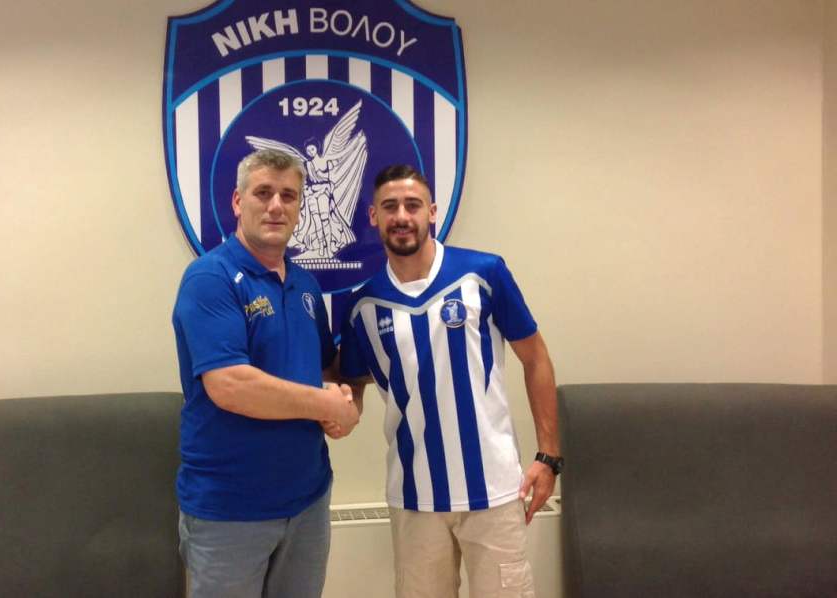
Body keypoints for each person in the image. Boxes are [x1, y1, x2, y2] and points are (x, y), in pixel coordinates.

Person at [338, 165, 561, 598]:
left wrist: (548, 457)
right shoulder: (362, 304)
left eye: (413, 205)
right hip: (414, 496)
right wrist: (341, 407)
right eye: (390, 207)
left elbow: (536, 358)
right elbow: (354, 380)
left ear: (432, 212)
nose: (402, 216)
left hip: (494, 490)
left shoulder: (484, 273)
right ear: (373, 216)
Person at [171, 149, 361, 598]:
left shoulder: (305, 285)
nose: (276, 205)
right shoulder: (210, 278)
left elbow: (326, 365)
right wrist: (325, 403)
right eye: (263, 193)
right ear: (238, 202)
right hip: (229, 509)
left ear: (300, 207)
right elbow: (230, 385)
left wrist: (350, 400)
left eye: (288, 196)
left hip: (308, 500)